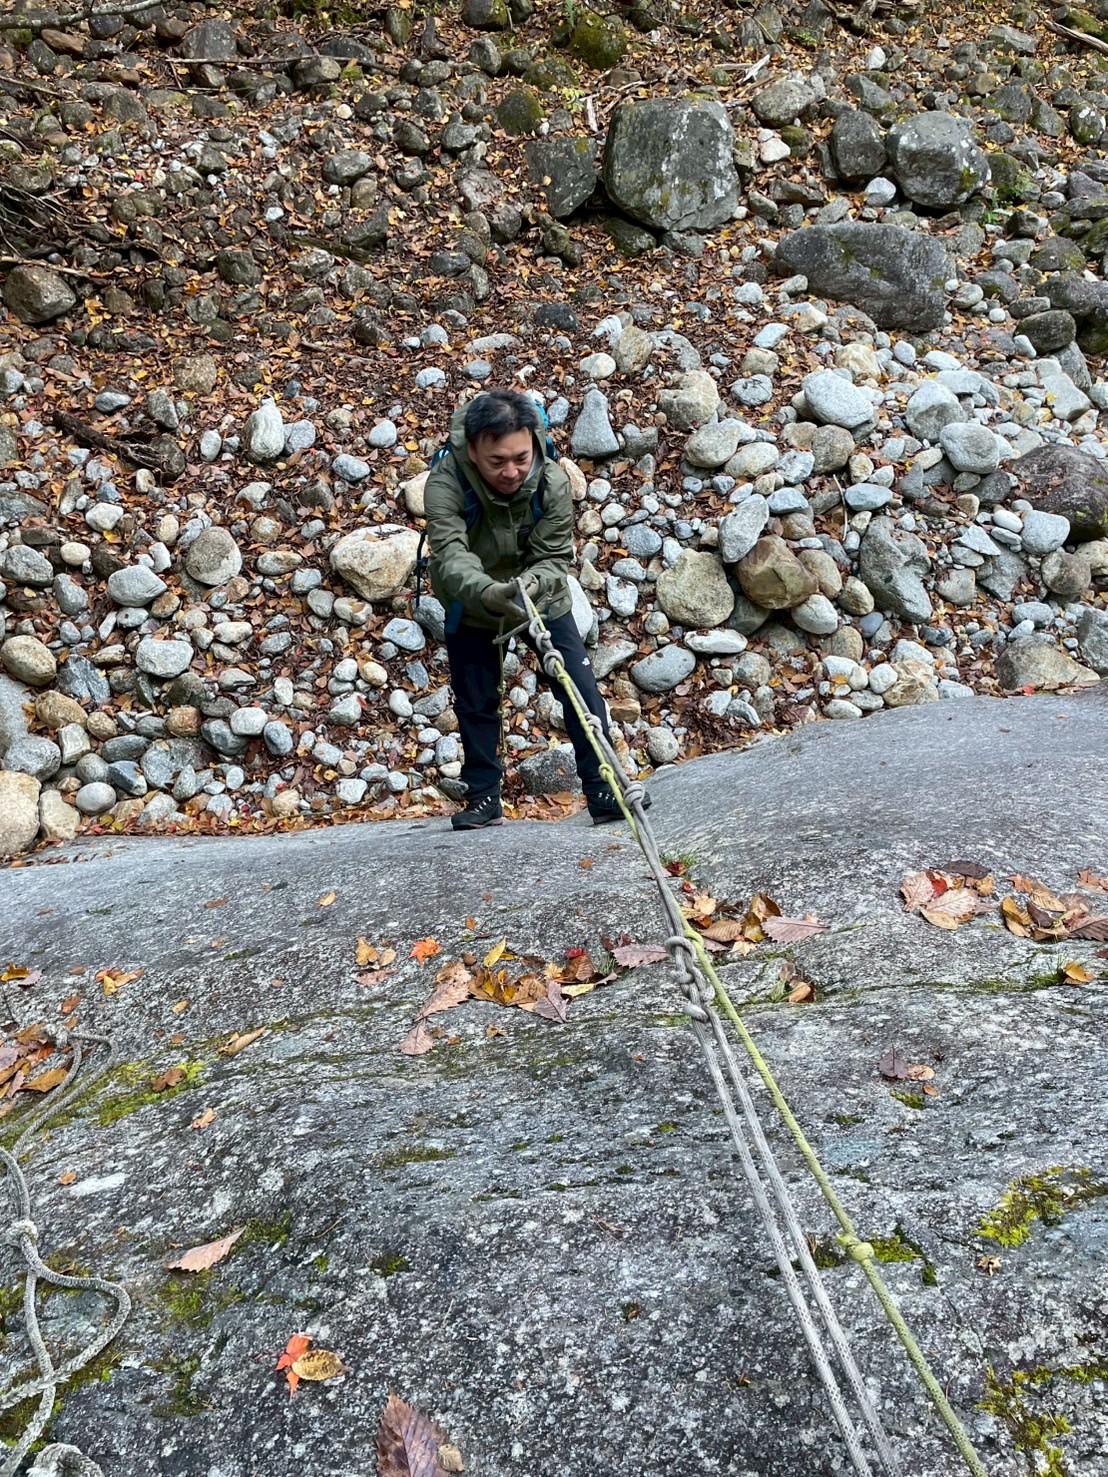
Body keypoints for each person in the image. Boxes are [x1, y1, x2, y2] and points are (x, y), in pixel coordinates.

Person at [423, 388, 649, 831]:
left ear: (533, 443)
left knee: (579, 688)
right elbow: (450, 554)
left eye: (521, 458)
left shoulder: (551, 480)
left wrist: (531, 584)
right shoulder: (445, 483)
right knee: (476, 699)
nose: (511, 471)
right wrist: (487, 592)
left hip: (542, 597)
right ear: (472, 449)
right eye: (497, 461)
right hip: (472, 602)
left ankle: (603, 788)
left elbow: (554, 556)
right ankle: (484, 797)